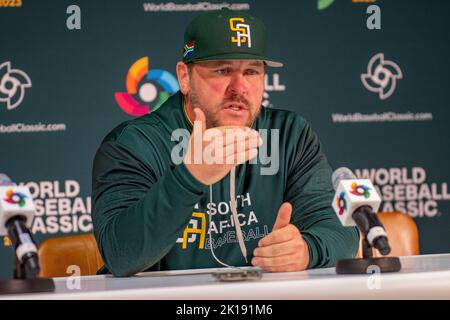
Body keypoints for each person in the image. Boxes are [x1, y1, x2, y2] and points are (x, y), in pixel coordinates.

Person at [92, 8, 359, 277]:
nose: (239, 87)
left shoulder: (289, 134)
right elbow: (120, 255)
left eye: (252, 72)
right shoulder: (135, 143)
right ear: (184, 77)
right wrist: (189, 177)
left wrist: (307, 250)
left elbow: (340, 229)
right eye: (222, 70)